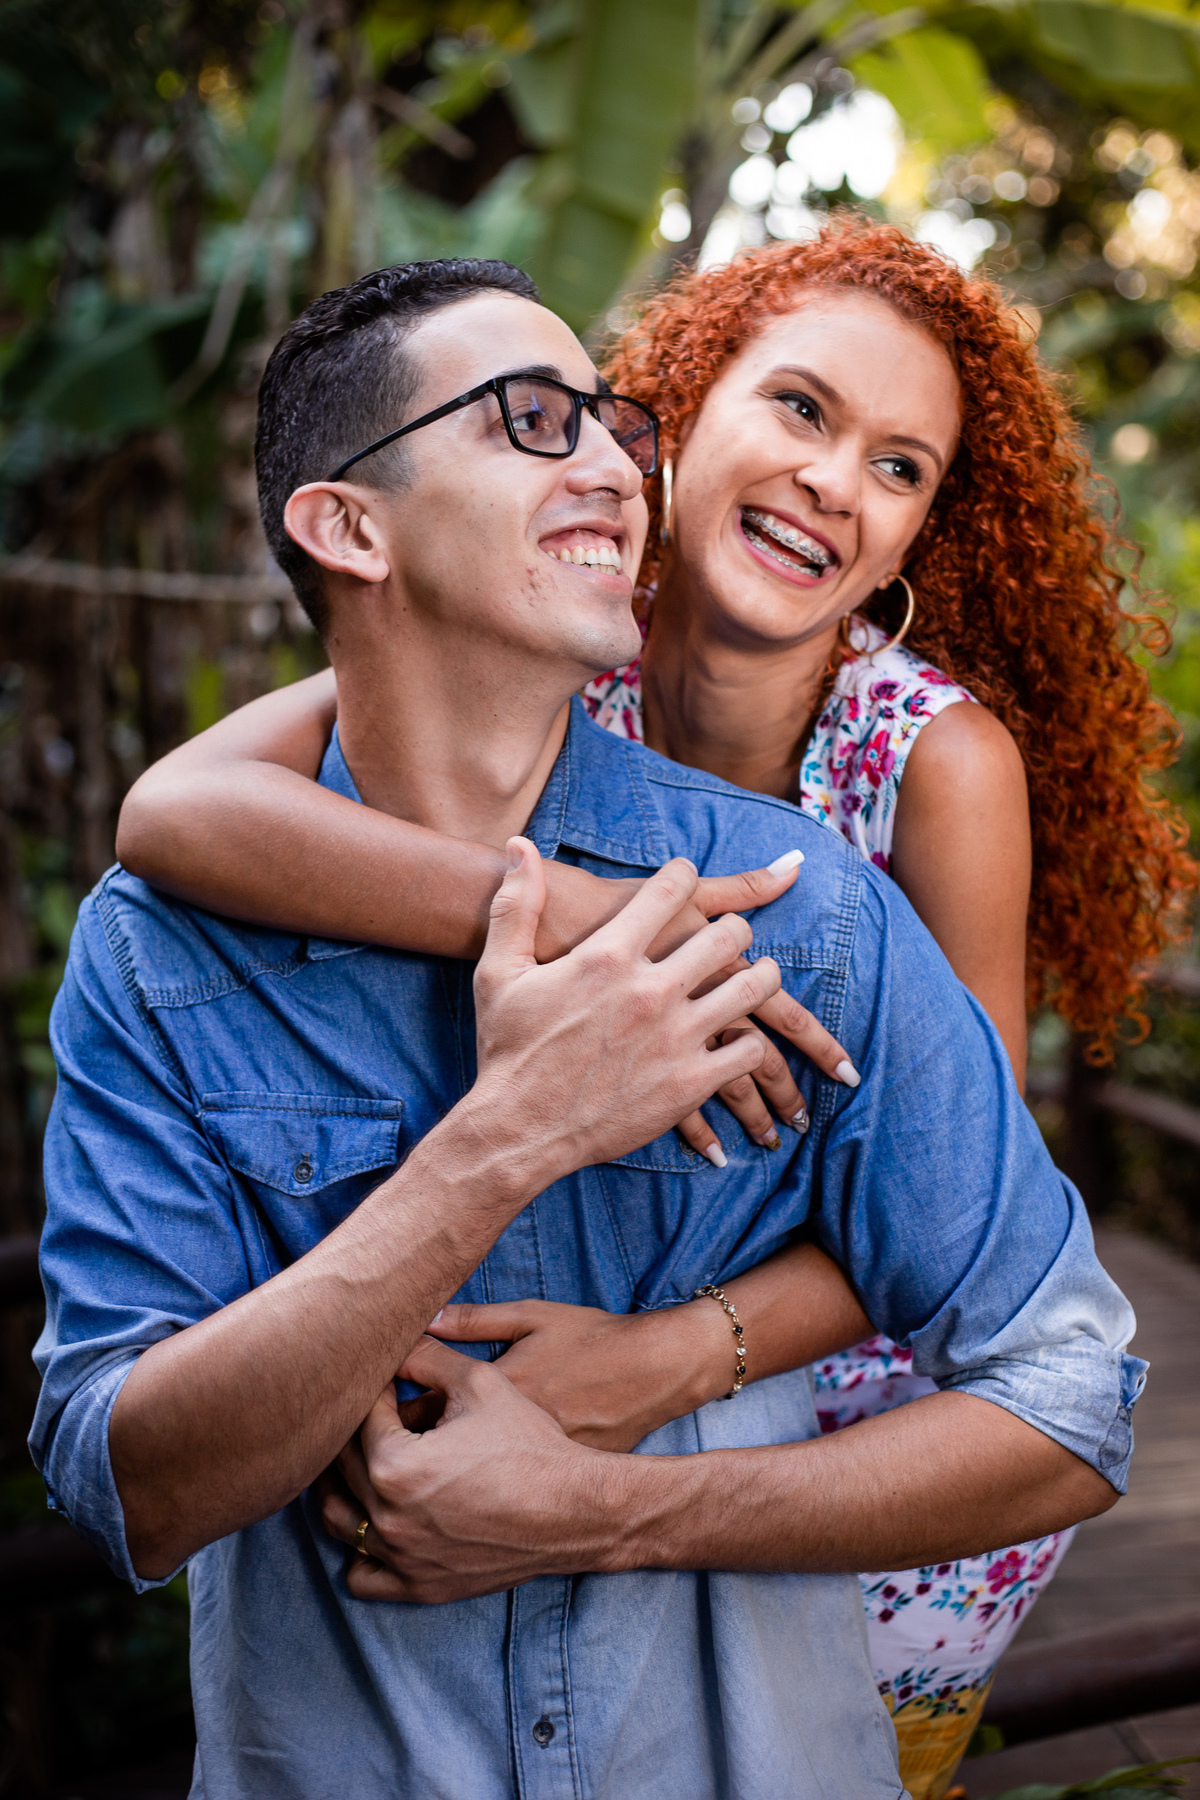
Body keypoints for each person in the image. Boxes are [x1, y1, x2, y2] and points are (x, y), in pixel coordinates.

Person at [36, 256, 1144, 1800]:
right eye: (536, 423)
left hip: (855, 1449)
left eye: (900, 470)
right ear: (687, 440)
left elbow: (1043, 1343)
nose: (835, 483)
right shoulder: (183, 936)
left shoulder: (864, 836)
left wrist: (666, 1379)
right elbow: (174, 814)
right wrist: (548, 1031)